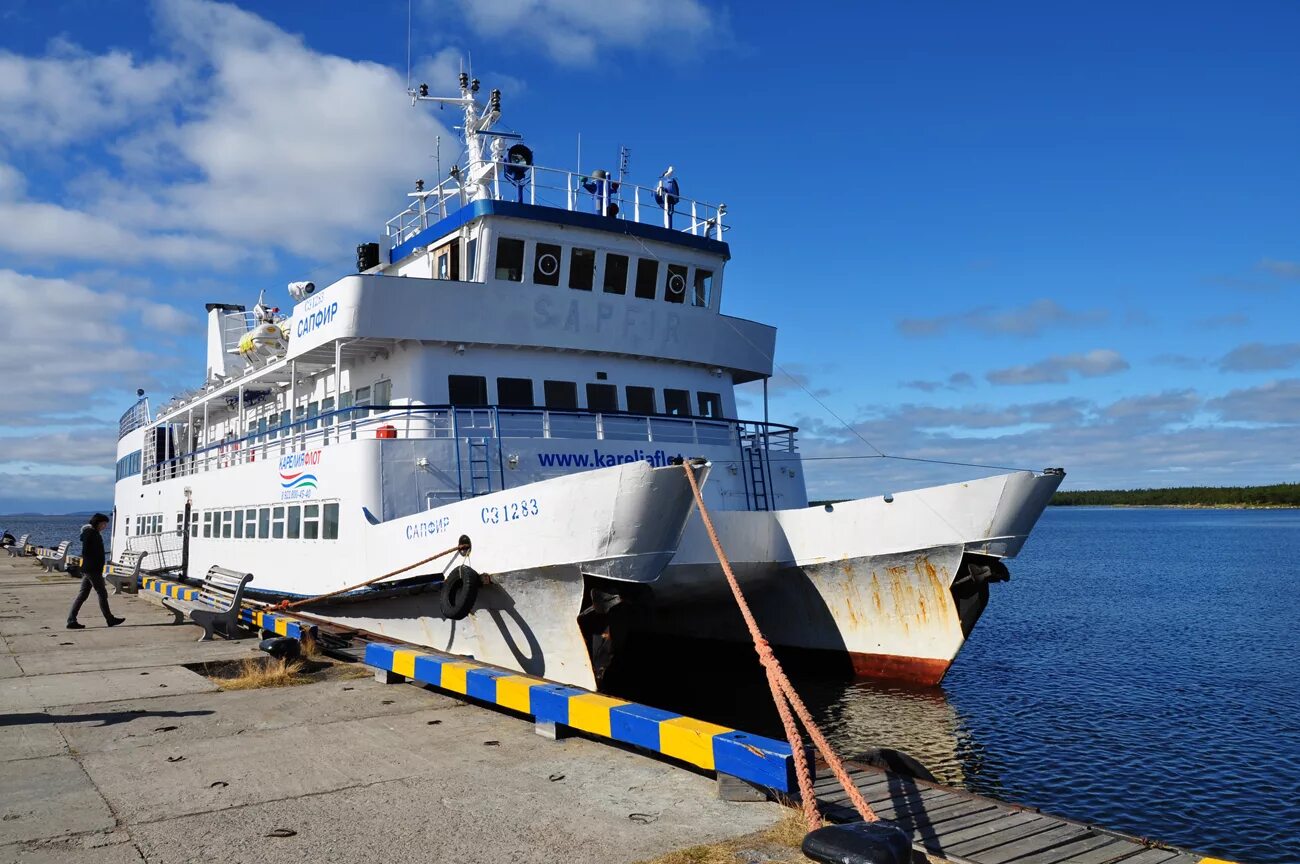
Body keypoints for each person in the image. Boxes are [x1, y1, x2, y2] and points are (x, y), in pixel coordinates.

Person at [66, 514, 124, 629]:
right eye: (104, 524)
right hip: (92, 569)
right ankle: (109, 619)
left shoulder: (92, 533)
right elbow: (87, 552)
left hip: (90, 569)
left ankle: (71, 620)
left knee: (83, 595)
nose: (105, 526)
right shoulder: (91, 534)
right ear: (98, 523)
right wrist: (94, 565)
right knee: (102, 593)